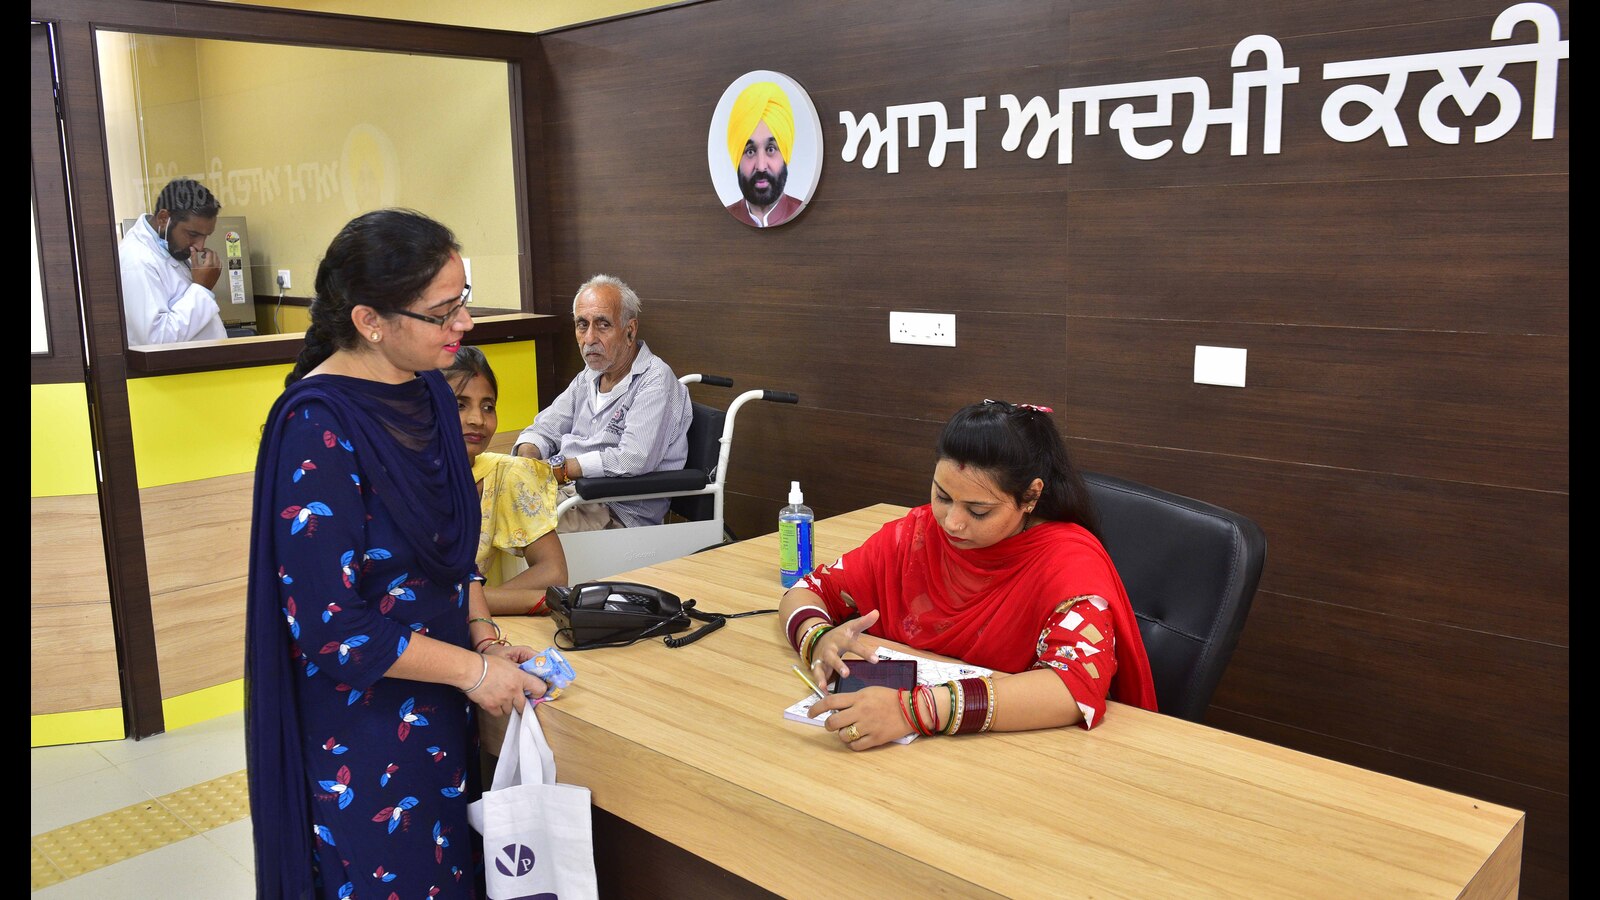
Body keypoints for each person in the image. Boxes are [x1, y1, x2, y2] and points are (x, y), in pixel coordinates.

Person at [245, 208, 548, 899]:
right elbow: (334, 630)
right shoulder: (317, 426)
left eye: (463, 301)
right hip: (365, 732)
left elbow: (452, 550)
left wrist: (482, 637)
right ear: (369, 321)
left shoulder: (430, 393)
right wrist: (472, 671)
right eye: (442, 314)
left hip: (443, 705)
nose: (463, 325)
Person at [778, 400, 1159, 751]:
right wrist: (818, 638)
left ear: (1030, 497)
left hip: (1024, 756)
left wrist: (916, 711)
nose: (952, 523)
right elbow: (809, 589)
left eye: (978, 511)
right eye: (943, 497)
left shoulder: (1068, 563)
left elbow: (1072, 687)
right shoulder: (917, 535)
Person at [512, 274, 692, 532]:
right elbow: (545, 428)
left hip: (614, 511)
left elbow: (633, 459)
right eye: (582, 325)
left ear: (630, 331)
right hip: (569, 495)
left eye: (603, 325)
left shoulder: (655, 381)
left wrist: (561, 470)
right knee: (485, 499)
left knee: (508, 521)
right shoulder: (589, 376)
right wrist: (528, 459)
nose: (589, 338)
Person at [443, 345, 570, 616]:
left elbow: (554, 572)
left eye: (488, 407)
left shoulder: (503, 475)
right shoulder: (396, 478)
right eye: (459, 405)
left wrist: (475, 605)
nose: (478, 419)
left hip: (477, 628)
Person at [117, 177, 229, 345]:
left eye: (206, 236)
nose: (200, 246)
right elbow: (156, 340)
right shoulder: (135, 259)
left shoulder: (170, 247)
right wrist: (202, 289)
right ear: (164, 218)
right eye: (193, 234)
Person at [723, 81, 806, 227]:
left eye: (771, 149)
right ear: (737, 158)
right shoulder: (720, 223)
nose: (761, 167)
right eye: (750, 151)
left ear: (785, 154)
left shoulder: (808, 216)